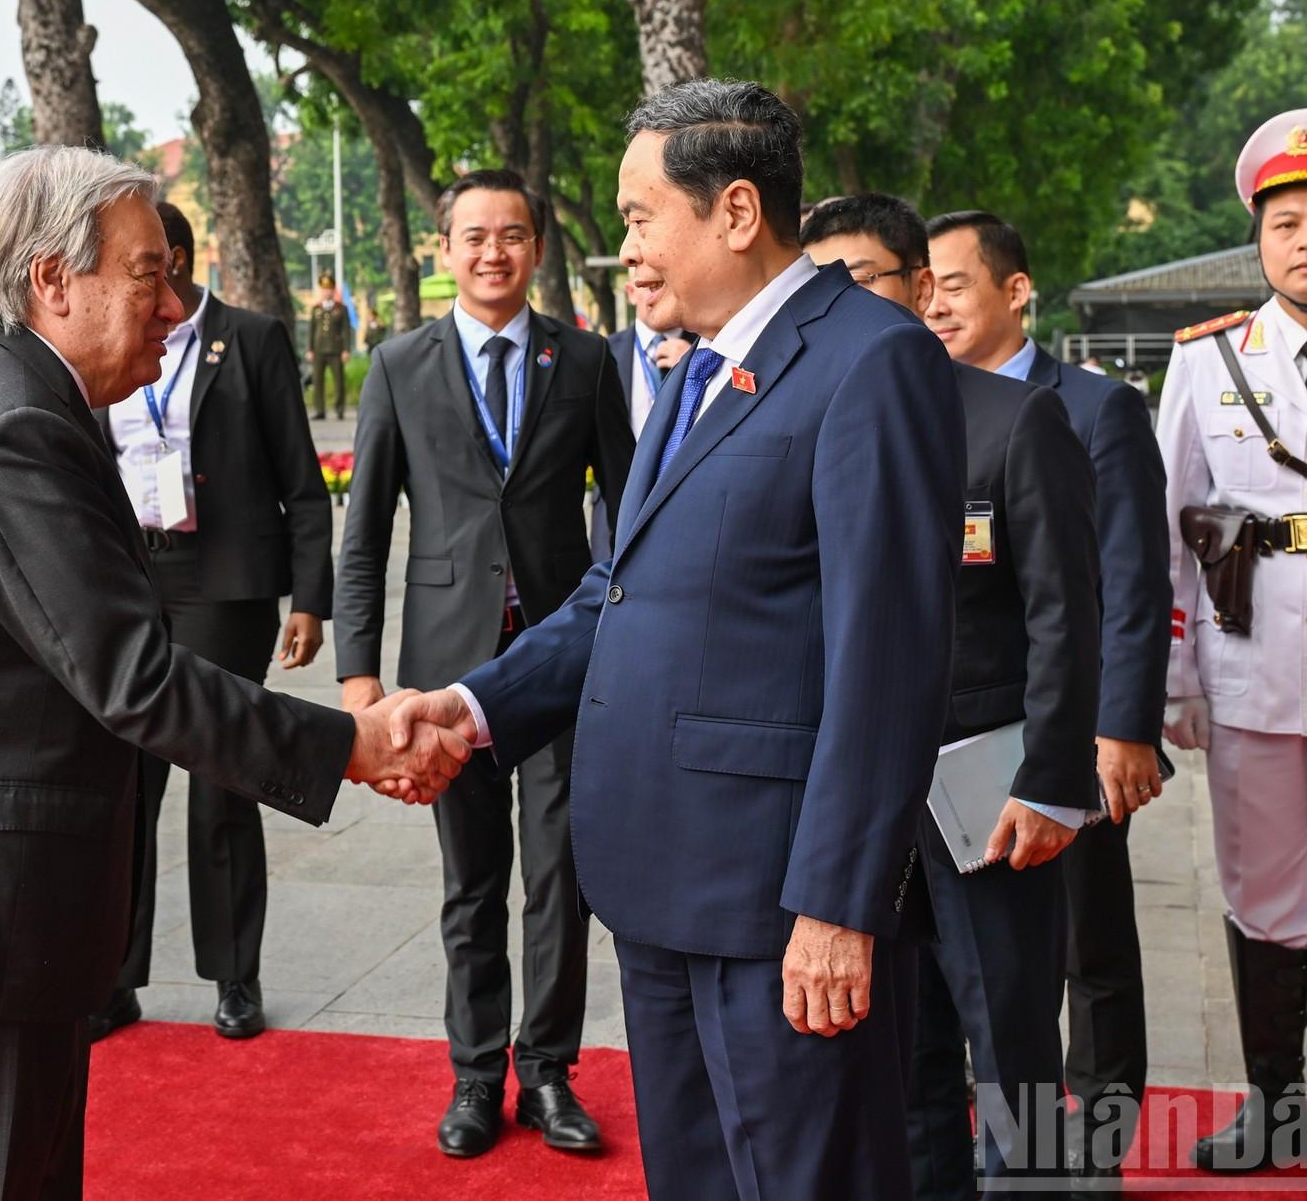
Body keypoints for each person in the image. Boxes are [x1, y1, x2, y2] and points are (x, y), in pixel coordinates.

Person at [0, 147, 473, 1201]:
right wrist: (350, 744)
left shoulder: (19, 393)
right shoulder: (12, 424)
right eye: (147, 275)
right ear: (53, 278)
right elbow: (134, 675)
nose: (176, 303)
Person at [393, 84, 965, 1198]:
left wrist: (840, 901)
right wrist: (470, 709)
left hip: (777, 903)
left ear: (737, 210)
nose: (626, 251)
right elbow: (617, 586)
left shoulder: (868, 358)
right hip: (661, 880)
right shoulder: (689, 366)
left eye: (640, 216)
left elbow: (888, 658)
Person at [806, 194, 1104, 1193]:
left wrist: (1054, 780)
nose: (835, 304)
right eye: (815, 287)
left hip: (987, 798)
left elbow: (1066, 613)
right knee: (906, 1056)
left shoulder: (1014, 419)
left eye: (858, 280)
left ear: (918, 286)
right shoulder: (817, 426)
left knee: (1010, 1051)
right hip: (865, 803)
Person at [337, 167, 636, 1159]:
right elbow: (366, 523)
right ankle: (474, 1075)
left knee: (558, 873)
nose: (491, 251)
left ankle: (548, 1068)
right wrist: (358, 676)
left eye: (510, 234)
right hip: (441, 659)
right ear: (443, 251)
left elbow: (632, 512)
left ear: (535, 249)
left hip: (560, 664)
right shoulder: (398, 363)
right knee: (470, 879)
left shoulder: (582, 360)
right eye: (472, 236)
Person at [1159, 107, 1307, 1180]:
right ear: (1256, 235)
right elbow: (1167, 527)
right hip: (1245, 668)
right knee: (1259, 892)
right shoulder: (1204, 365)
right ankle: (1268, 1099)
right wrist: (1172, 682)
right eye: (1285, 220)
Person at [925, 208, 1174, 1178]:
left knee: (1089, 947)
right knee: (988, 973)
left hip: (1064, 736)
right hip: (960, 750)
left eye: (952, 283)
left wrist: (1119, 728)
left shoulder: (1094, 405)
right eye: (922, 288)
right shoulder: (924, 407)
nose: (932, 302)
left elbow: (1126, 581)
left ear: (1013, 288)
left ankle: (1096, 1153)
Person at [93, 200, 334, 1043]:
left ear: (179, 258)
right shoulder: (108, 339)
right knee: (121, 783)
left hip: (223, 581)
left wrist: (310, 597)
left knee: (223, 779)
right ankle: (113, 979)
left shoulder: (252, 338)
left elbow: (300, 478)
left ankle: (235, 975)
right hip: (125, 573)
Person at [590, 283, 691, 557]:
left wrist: (696, 361)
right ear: (629, 292)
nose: (654, 292)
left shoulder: (707, 347)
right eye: (646, 285)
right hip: (617, 508)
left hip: (687, 505)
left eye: (662, 283)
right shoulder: (599, 353)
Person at [306, 273, 352, 419]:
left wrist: (346, 349)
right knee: (317, 381)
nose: (327, 292)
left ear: (333, 290)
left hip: (335, 349)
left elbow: (346, 330)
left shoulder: (341, 309)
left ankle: (339, 409)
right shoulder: (316, 309)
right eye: (324, 289)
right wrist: (310, 349)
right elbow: (311, 331)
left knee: (339, 381)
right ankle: (320, 410)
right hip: (319, 349)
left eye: (329, 289)